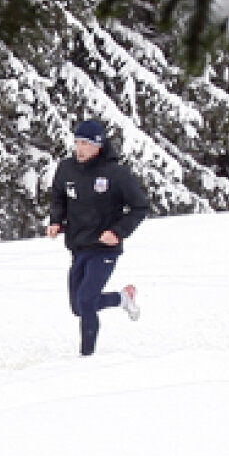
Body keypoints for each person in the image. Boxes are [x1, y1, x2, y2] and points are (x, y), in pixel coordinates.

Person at [47, 119, 149, 356]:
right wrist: (55, 221)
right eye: (77, 143)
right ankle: (122, 299)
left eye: (86, 144)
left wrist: (118, 232)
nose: (80, 149)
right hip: (78, 245)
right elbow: (58, 197)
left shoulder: (115, 173)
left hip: (105, 249)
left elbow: (140, 207)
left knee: (86, 301)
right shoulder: (66, 168)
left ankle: (87, 357)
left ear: (99, 146)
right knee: (78, 307)